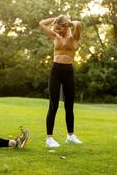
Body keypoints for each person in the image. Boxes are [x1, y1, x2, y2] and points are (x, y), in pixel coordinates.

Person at [39, 15, 82, 148]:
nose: (58, 31)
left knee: (69, 105)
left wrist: (69, 22)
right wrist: (56, 18)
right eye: (56, 29)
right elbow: (42, 23)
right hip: (56, 70)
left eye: (60, 28)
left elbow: (78, 24)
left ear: (67, 26)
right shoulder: (55, 36)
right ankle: (49, 138)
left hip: (68, 71)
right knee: (54, 105)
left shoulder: (74, 37)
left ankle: (70, 135)